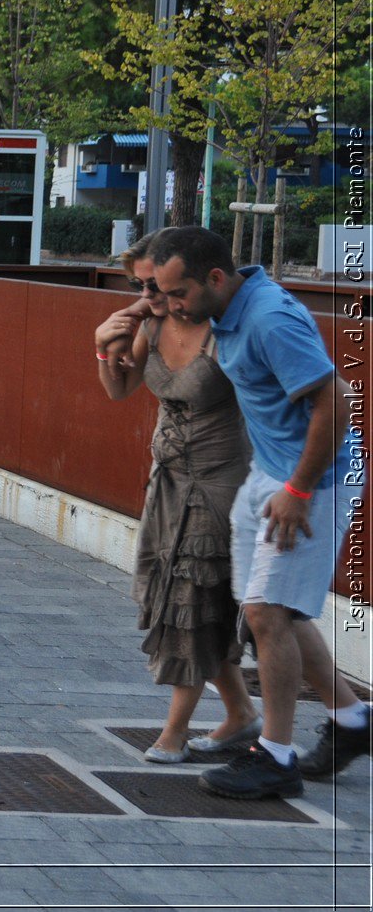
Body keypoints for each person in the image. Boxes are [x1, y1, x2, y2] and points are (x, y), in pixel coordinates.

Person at [150, 225, 368, 799]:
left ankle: (275, 757)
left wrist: (298, 491)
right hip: (270, 473)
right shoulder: (221, 307)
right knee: (271, 613)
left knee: (269, 615)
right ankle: (352, 720)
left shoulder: (270, 318)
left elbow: (336, 400)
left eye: (178, 293)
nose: (171, 305)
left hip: (311, 480)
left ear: (215, 279)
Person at [94, 233, 258, 763]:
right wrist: (107, 343)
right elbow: (118, 390)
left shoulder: (223, 325)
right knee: (184, 602)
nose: (150, 293)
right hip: (166, 482)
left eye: (157, 284)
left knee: (192, 599)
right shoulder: (154, 322)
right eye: (141, 284)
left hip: (218, 483)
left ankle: (174, 731)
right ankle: (240, 715)